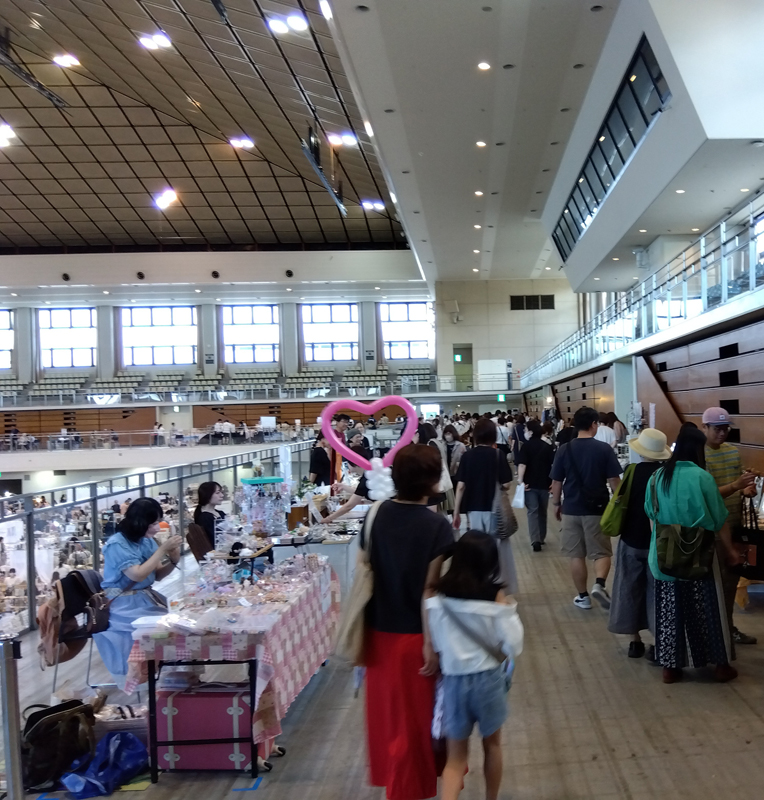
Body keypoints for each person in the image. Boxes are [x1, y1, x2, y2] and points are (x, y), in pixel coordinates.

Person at [362, 444, 455, 800]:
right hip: (416, 637)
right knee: (415, 725)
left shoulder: (376, 515)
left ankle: (396, 785)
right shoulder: (436, 526)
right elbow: (430, 589)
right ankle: (406, 791)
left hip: (377, 636)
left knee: (389, 721)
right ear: (430, 481)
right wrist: (431, 644)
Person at [426, 531, 524, 800]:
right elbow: (514, 645)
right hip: (488, 679)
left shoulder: (438, 598)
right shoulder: (495, 596)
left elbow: (436, 643)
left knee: (455, 758)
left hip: (454, 681)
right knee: (492, 746)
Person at [645, 426, 738, 684]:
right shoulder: (703, 477)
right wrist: (731, 551)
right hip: (700, 555)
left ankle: (670, 668)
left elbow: (651, 515)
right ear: (698, 450)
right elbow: (719, 520)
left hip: (664, 556)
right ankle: (719, 665)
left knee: (670, 611)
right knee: (708, 610)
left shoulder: (657, 477)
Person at [94, 498, 182, 683]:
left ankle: (173, 676)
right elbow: (137, 575)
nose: (157, 528)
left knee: (178, 624)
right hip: (124, 605)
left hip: (144, 599)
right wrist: (162, 550)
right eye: (153, 523)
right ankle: (154, 678)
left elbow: (157, 575)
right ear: (140, 522)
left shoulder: (146, 541)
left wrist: (174, 560)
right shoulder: (117, 544)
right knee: (161, 629)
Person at [607, 428, 671, 659]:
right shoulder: (666, 475)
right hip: (658, 542)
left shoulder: (631, 471)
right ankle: (658, 643)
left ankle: (635, 641)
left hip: (631, 538)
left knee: (628, 589)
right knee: (657, 593)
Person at [550, 406, 622, 610]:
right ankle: (599, 584)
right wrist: (620, 502)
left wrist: (556, 504)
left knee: (576, 554)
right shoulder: (603, 449)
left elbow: (556, 482)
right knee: (601, 552)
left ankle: (583, 597)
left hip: (571, 508)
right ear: (593, 424)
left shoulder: (564, 449)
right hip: (597, 509)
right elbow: (614, 481)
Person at [702, 407, 758, 647]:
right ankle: (715, 633)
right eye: (717, 429)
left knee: (731, 582)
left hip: (735, 525)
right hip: (713, 530)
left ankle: (727, 628)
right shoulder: (699, 456)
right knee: (714, 584)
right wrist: (736, 486)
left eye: (725, 429)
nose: (722, 433)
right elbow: (707, 495)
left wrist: (747, 488)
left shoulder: (733, 452)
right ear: (705, 427)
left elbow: (739, 485)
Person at [453, 418, 517, 593]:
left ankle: (477, 585)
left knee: (476, 548)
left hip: (473, 509)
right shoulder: (498, 455)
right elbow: (506, 484)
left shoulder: (467, 456)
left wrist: (456, 512)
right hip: (494, 509)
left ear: (475, 435)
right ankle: (498, 587)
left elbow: (460, 486)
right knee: (497, 547)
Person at [516, 419, 555, 552]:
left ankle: (535, 540)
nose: (525, 431)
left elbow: (522, 464)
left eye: (526, 429)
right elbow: (553, 465)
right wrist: (553, 482)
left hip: (529, 484)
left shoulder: (526, 447)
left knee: (532, 511)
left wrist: (520, 480)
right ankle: (542, 537)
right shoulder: (547, 447)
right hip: (545, 483)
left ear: (531, 431)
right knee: (542, 511)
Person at [194, 481, 226, 547]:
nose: (222, 495)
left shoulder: (220, 513)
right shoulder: (204, 518)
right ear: (208, 495)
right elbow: (217, 538)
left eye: (221, 492)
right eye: (217, 493)